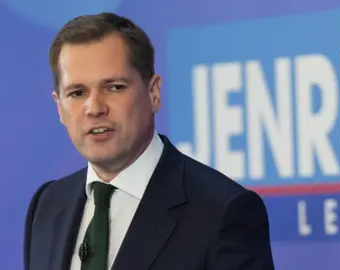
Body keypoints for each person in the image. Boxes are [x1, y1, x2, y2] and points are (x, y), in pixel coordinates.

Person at [23, 12, 275, 270]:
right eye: (77, 93)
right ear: (59, 107)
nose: (94, 108)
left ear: (153, 93)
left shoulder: (223, 211)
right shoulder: (47, 205)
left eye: (114, 87)